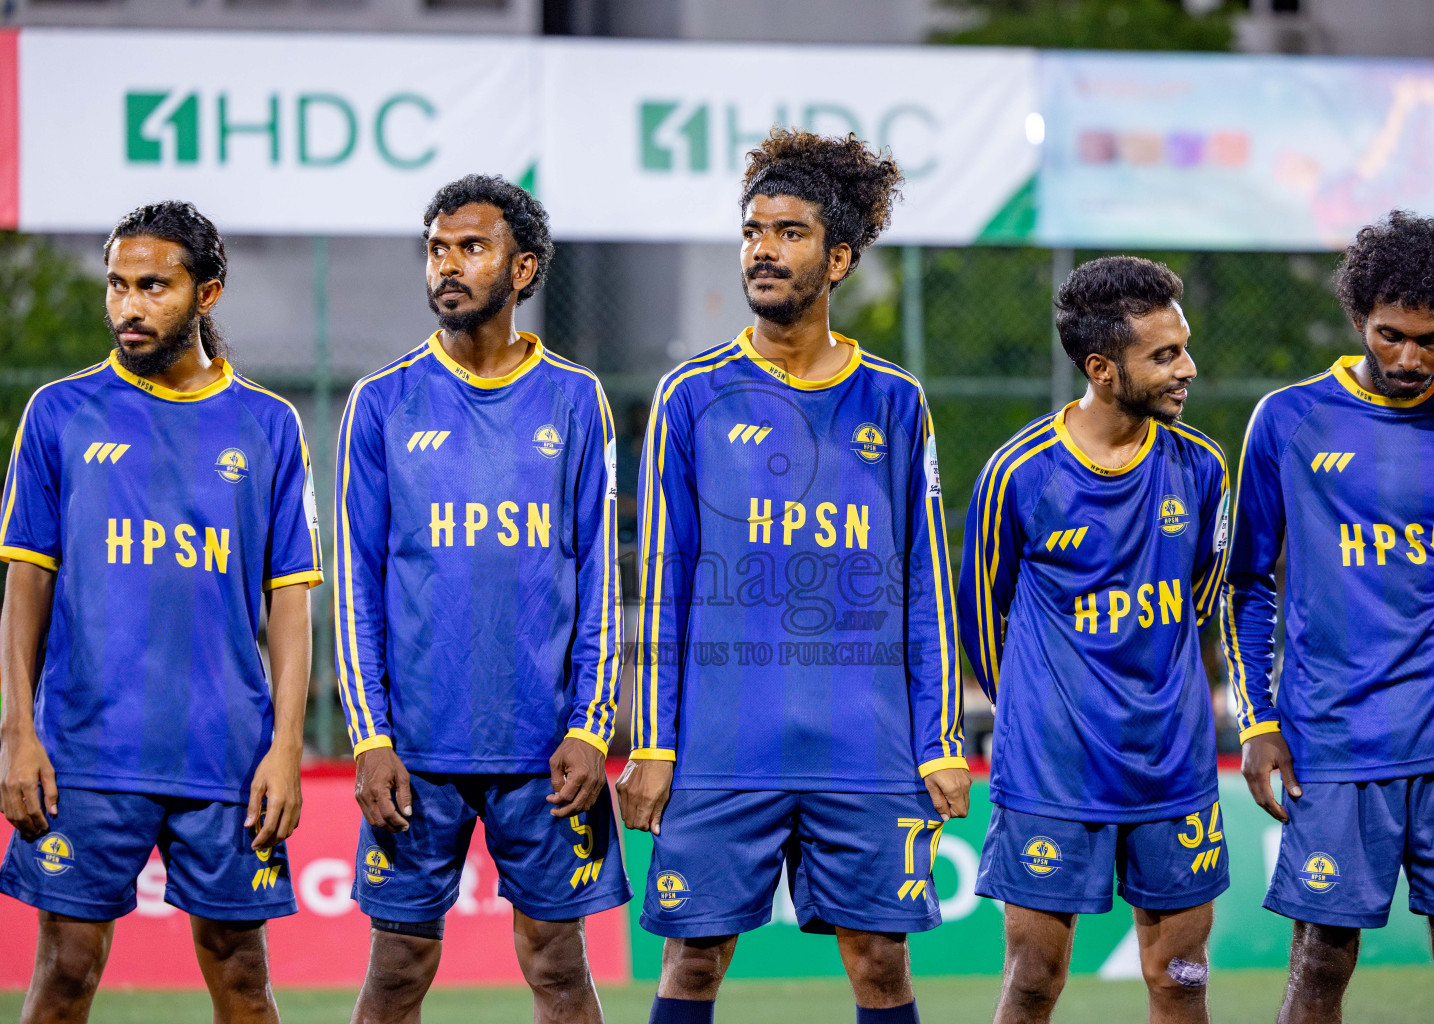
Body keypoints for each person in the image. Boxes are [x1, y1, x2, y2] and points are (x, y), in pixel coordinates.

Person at [615, 127, 970, 1024]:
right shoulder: (690, 395)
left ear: (839, 256)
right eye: (753, 231)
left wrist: (936, 739)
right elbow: (663, 583)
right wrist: (653, 744)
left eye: (789, 233)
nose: (762, 250)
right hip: (725, 742)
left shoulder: (894, 399)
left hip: (865, 742)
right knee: (692, 963)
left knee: (881, 969)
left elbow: (924, 583)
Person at [0, 201, 320, 1023]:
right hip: (86, 749)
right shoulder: (59, 414)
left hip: (224, 754)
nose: (128, 306)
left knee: (243, 981)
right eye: (117, 284)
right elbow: (26, 590)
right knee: (65, 975)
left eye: (153, 286)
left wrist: (286, 746)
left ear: (206, 294)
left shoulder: (268, 425)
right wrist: (18, 730)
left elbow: (290, 605)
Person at [1225, 211, 1434, 1024]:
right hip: (1334, 738)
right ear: (1359, 317)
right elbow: (1248, 581)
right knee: (1320, 962)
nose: (1407, 357)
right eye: (1390, 334)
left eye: (1430, 340)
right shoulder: (1288, 421)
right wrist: (1258, 722)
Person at [337, 174, 628, 1024]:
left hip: (544, 751)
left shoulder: (576, 399)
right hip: (416, 751)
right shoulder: (381, 402)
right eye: (437, 248)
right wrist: (370, 736)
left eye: (471, 247)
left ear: (523, 267)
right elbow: (356, 584)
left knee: (560, 971)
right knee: (396, 971)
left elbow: (598, 578)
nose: (448, 266)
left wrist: (587, 725)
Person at [959, 257, 1229, 1024]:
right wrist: (1043, 716)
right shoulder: (1018, 472)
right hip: (1052, 773)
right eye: (1166, 355)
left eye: (1183, 347)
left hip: (1171, 768)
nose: (1188, 369)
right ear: (1103, 369)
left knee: (1181, 980)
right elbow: (982, 621)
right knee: (1035, 982)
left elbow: (1202, 600)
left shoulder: (1203, 467)